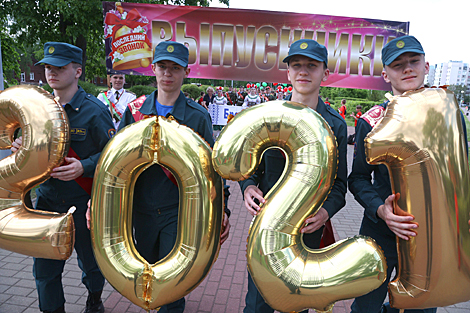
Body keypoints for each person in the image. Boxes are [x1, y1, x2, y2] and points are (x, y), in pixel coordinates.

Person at [115, 41, 231, 313]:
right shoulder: (135, 111)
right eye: (163, 67)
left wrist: (222, 208)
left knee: (173, 282)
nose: (168, 74)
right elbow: (115, 159)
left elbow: (212, 168)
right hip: (140, 209)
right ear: (153, 69)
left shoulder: (197, 116)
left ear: (186, 72)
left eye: (175, 68)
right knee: (145, 272)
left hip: (178, 212)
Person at [348, 35, 460, 313]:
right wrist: (380, 210)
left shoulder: (448, 116)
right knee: (365, 307)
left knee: (421, 308)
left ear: (426, 65)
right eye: (398, 65)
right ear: (385, 74)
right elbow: (358, 178)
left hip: (430, 236)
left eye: (413, 61)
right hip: (379, 233)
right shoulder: (372, 121)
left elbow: (461, 174)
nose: (407, 69)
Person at [239, 39, 347, 313]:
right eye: (296, 65)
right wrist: (248, 187)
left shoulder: (335, 125)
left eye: (312, 66)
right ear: (287, 73)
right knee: (256, 304)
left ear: (325, 72)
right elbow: (249, 169)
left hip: (307, 234)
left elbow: (340, 185)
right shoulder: (270, 116)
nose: (303, 72)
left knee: (296, 304)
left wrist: (325, 213)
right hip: (266, 230)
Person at [10, 42, 115, 313]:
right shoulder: (35, 109)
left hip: (82, 202)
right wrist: (20, 147)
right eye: (47, 67)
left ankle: (94, 297)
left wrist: (85, 166)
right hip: (45, 200)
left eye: (60, 67)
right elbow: (29, 146)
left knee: (91, 264)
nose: (51, 72)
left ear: (78, 71)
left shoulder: (95, 111)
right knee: (44, 269)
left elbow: (113, 155)